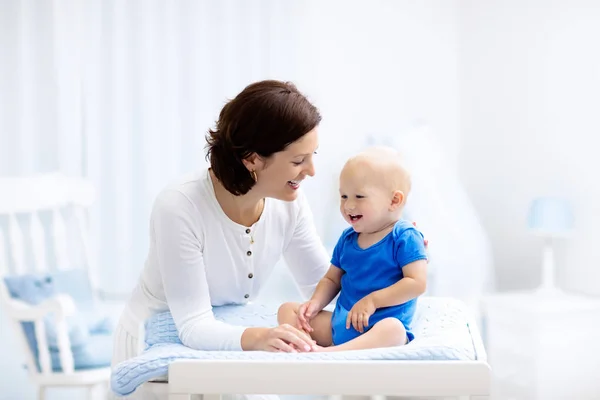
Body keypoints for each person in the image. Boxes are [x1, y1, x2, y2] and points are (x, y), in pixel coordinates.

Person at [110, 80, 328, 399]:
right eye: (298, 161)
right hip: (157, 345)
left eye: (313, 156)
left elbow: (322, 288)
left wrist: (387, 248)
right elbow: (195, 326)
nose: (311, 171)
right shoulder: (180, 206)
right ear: (252, 158)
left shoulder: (290, 203)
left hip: (225, 341)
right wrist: (261, 338)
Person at [277, 146, 428, 351]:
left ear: (394, 201)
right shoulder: (348, 239)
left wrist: (373, 301)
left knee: (394, 330)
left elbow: (417, 283)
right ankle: (306, 346)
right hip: (342, 325)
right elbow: (332, 279)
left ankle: (330, 353)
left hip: (379, 327)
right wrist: (315, 304)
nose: (348, 205)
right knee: (288, 311)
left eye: (359, 197)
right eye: (344, 196)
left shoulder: (404, 236)